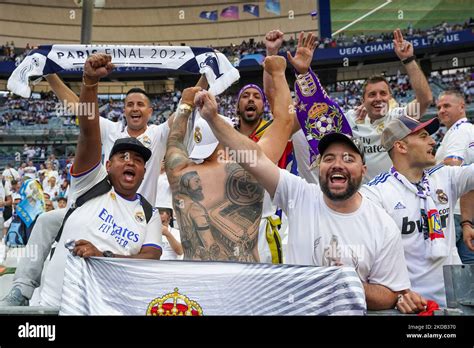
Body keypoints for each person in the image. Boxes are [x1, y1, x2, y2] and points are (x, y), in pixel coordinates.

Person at [196, 87, 412, 309]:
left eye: (348, 158)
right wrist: (213, 118)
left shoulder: (382, 225)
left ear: (363, 169)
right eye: (328, 158)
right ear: (319, 167)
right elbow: (255, 158)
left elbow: (391, 293)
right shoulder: (299, 196)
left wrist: (347, 283)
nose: (338, 164)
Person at [34, 53, 163, 308]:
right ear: (106, 164)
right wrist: (90, 83)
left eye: (138, 160)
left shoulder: (150, 214)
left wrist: (103, 256)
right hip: (52, 309)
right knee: (45, 220)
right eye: (123, 156)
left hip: (108, 308)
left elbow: (150, 257)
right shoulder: (90, 182)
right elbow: (88, 130)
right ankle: (23, 285)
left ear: (145, 172)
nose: (130, 162)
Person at [165, 55, 294, 262]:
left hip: (197, 278)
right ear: (226, 138)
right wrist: (278, 73)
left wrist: (186, 103)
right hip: (243, 279)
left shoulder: (178, 171)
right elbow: (286, 120)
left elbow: (175, 137)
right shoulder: (251, 166)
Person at [361, 115, 474, 308]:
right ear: (401, 147)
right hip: (411, 306)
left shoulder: (445, 176)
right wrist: (397, 296)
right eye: (423, 136)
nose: (432, 141)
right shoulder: (374, 194)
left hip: (456, 301)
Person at [347, 29, 433, 182]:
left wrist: (408, 60)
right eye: (372, 95)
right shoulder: (351, 119)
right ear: (363, 100)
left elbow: (425, 99)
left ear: (390, 97)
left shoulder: (399, 118)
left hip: (398, 194)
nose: (378, 98)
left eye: (383, 93)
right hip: (367, 196)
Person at [435, 89, 474, 264]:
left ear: (461, 107)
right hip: (464, 211)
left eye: (446, 106)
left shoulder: (460, 130)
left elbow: (452, 165)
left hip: (455, 212)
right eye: (439, 107)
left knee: (451, 270)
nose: (441, 110)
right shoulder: (461, 130)